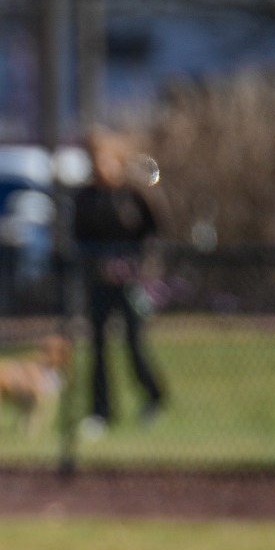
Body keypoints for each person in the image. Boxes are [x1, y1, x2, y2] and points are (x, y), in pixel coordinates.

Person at [72, 133, 166, 436]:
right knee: (98, 346)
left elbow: (155, 233)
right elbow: (78, 238)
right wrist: (98, 265)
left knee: (134, 343)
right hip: (99, 282)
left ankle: (154, 396)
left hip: (133, 282)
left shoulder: (133, 194)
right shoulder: (86, 197)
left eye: (104, 159)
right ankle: (101, 411)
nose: (99, 166)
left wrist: (140, 267)